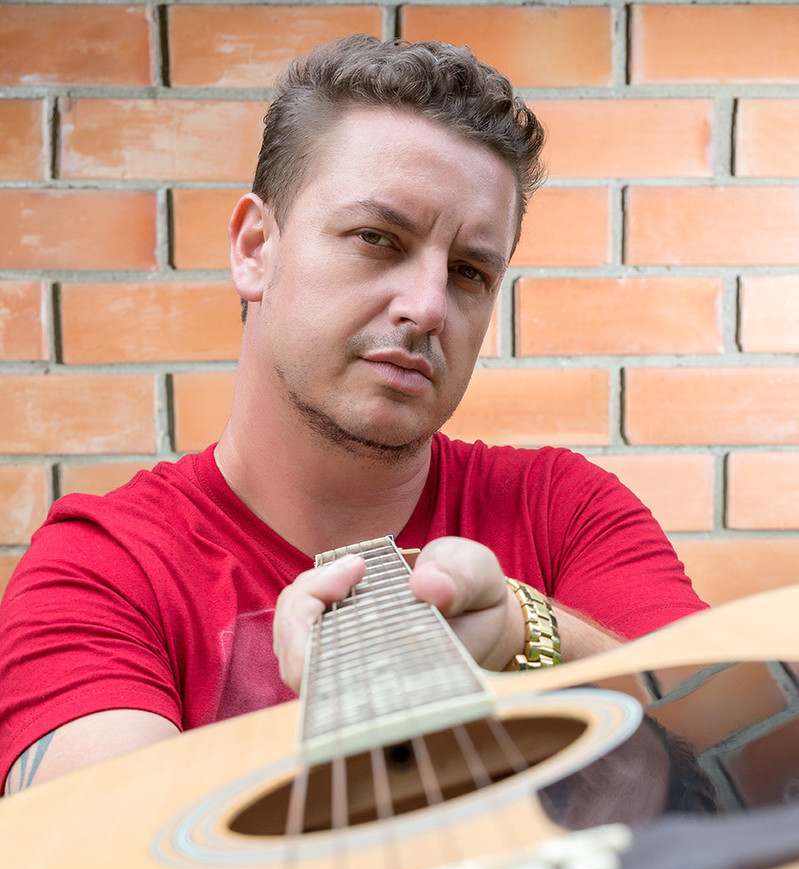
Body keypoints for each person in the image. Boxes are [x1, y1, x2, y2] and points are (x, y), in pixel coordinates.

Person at [0, 35, 707, 795]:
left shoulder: (561, 510)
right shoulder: (107, 566)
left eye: (469, 271)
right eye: (378, 239)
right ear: (253, 248)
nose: (429, 305)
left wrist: (520, 631)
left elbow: (747, 744)